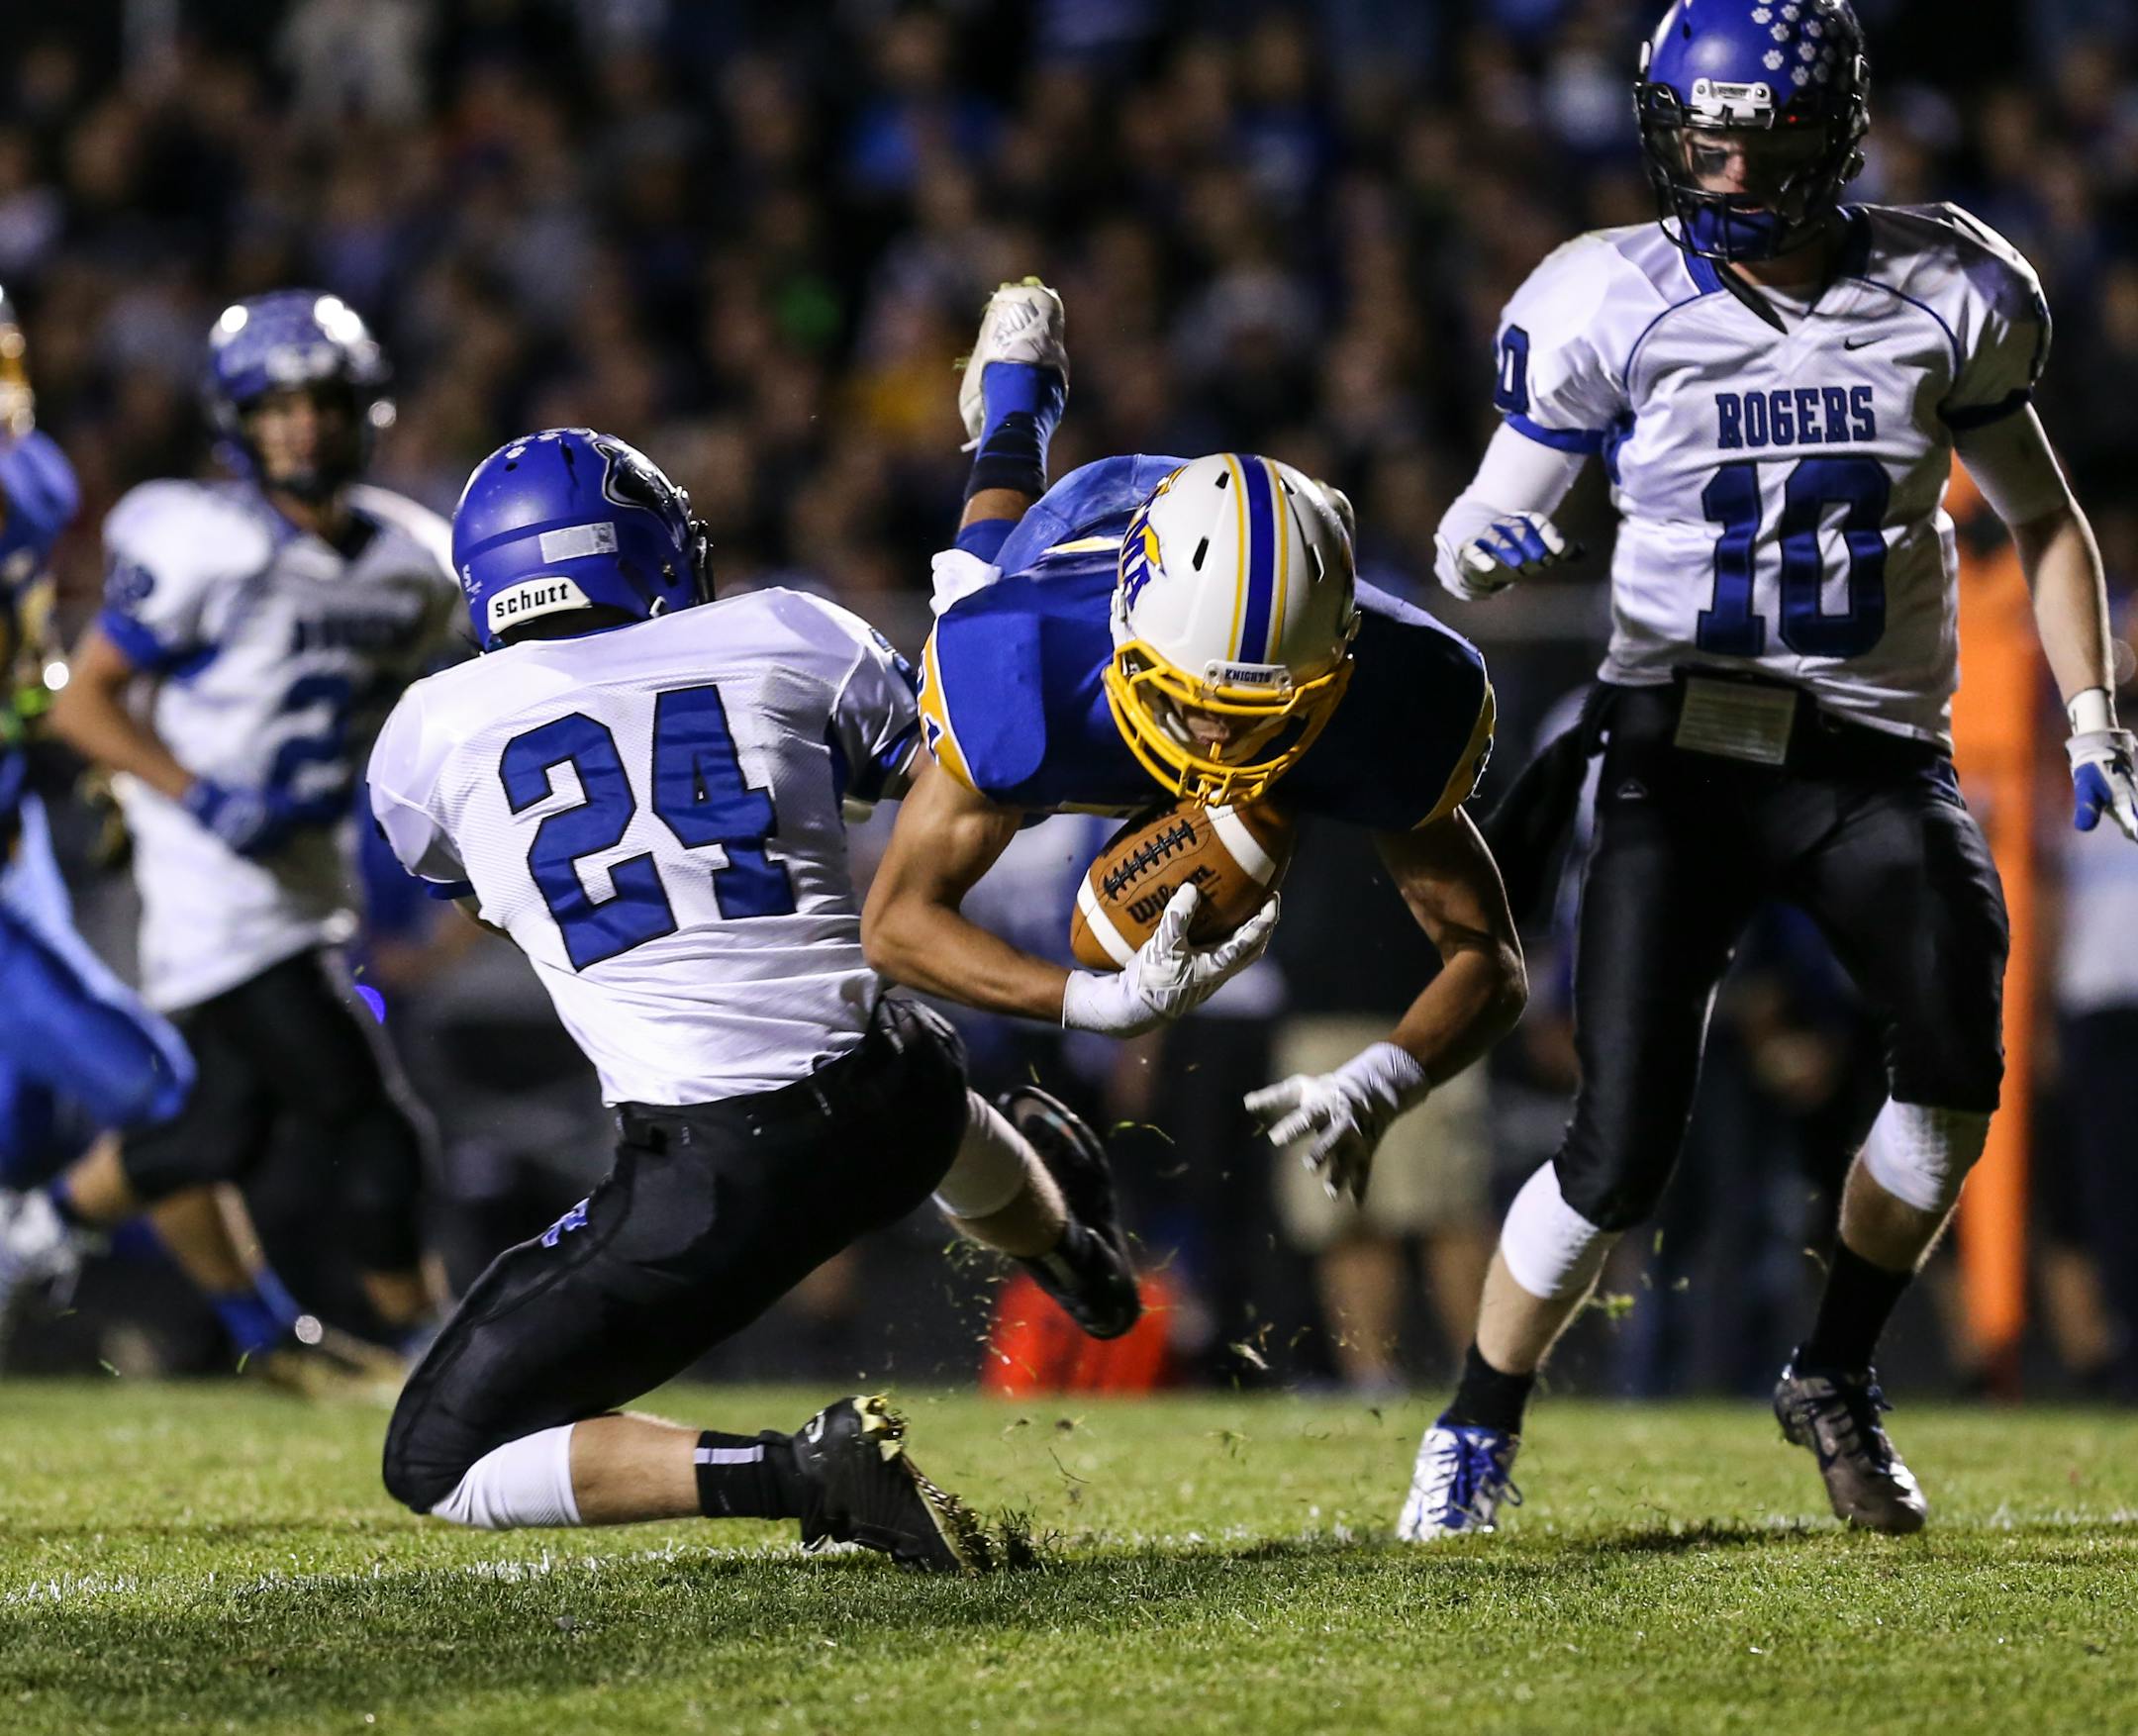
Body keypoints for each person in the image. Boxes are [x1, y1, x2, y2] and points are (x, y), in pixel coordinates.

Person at [1406, 0, 2138, 1540]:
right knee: (1618, 1151)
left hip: (1874, 750)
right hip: (1684, 748)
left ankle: (1836, 1370)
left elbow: (2046, 520)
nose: (1729, 168)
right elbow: (1473, 530)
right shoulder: (1607, 297)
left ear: (1833, 135)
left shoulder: (1946, 287)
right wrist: (1489, 543)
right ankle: (1474, 1426)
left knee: (1956, 1072)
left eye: (1761, 136)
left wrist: (2093, 717)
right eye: (1703, 135)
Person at [366, 426, 1137, 1568]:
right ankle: (1077, 1253)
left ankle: (804, 1471)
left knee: (433, 1458)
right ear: (647, 549)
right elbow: (938, 787)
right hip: (897, 1093)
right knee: (920, 1075)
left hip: (718, 1178)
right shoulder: (793, 628)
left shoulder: (427, 734)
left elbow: (488, 888)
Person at [860, 282, 1526, 1285]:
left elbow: (1490, 957)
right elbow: (895, 924)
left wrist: (1388, 1076)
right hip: (1088, 536)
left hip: (1262, 579)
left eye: (1257, 711)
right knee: (973, 581)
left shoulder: (1392, 693)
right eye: (1198, 703)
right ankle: (1016, 401)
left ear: (1333, 665)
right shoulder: (1028, 665)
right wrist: (1095, 1002)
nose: (1219, 737)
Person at [19, 291, 460, 1351]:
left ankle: (36, 1229)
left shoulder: (417, 562)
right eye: (275, 406)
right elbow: (84, 700)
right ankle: (434, 1352)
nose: (301, 425)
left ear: (366, 409)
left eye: (322, 401)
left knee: (223, 1123)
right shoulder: (201, 538)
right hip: (212, 885)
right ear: (238, 420)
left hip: (312, 880)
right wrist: (193, 790)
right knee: (374, 1124)